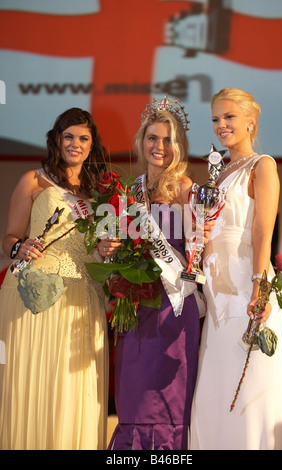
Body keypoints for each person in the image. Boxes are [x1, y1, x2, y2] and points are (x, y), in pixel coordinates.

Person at [99, 97, 213, 450]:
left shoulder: (186, 189)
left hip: (173, 305)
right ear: (141, 141)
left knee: (166, 393)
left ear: (176, 146)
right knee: (133, 388)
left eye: (167, 140)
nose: (158, 147)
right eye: (152, 138)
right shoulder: (129, 192)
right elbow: (115, 241)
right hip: (136, 303)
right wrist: (108, 249)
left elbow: (199, 250)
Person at [190, 88, 282, 450]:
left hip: (246, 283)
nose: (221, 125)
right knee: (215, 382)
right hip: (215, 290)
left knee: (249, 381)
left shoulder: (262, 165)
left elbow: (263, 231)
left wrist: (259, 287)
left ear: (251, 121)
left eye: (229, 117)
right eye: (216, 119)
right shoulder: (218, 173)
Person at [0, 108, 109, 450]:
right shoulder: (33, 180)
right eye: (68, 137)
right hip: (37, 296)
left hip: (82, 299)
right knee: (35, 382)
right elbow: (8, 239)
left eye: (83, 139)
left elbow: (99, 249)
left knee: (73, 388)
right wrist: (20, 246)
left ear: (92, 146)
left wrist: (108, 250)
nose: (75, 144)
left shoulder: (99, 194)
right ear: (57, 140)